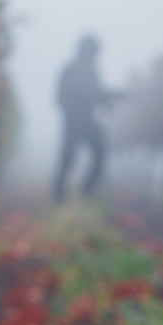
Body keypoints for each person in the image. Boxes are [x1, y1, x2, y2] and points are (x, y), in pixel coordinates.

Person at [53, 35, 117, 203]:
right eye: (93, 53)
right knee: (67, 159)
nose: (94, 57)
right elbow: (60, 98)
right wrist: (87, 100)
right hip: (72, 121)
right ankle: (58, 197)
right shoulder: (69, 71)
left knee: (100, 150)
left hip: (87, 119)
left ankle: (87, 190)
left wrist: (108, 99)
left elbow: (98, 95)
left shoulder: (92, 72)